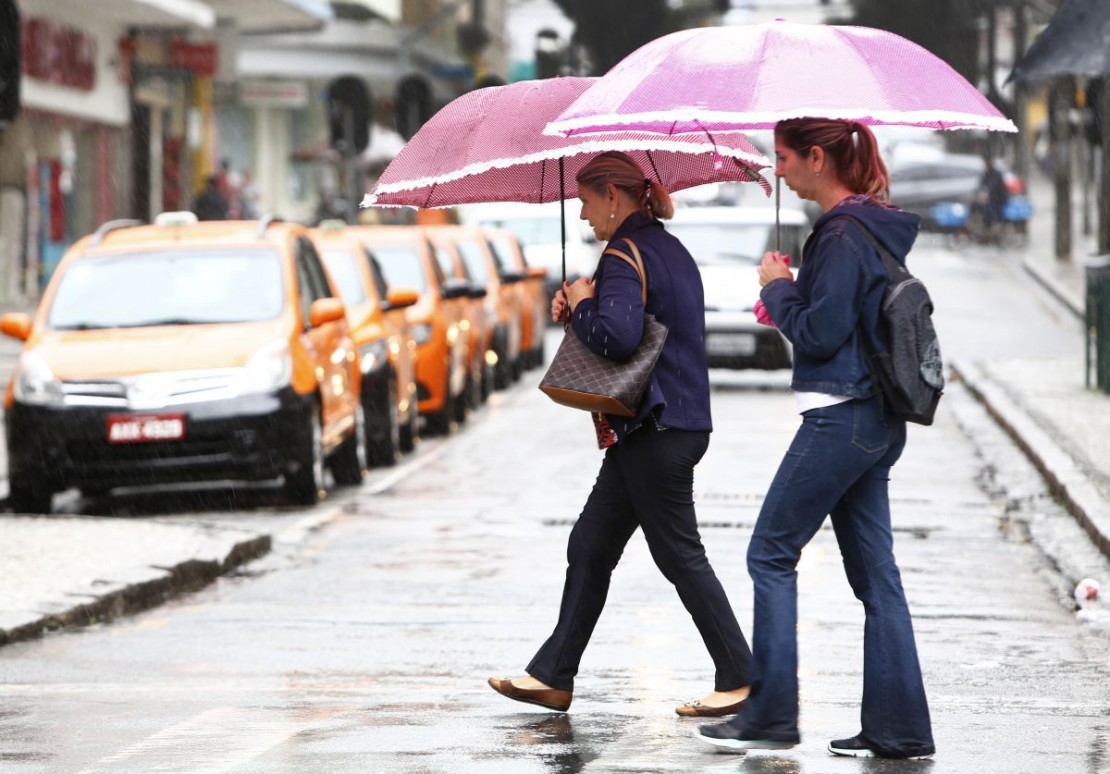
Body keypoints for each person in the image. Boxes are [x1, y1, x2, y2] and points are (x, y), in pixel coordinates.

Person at [695, 119, 935, 760]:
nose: (776, 170)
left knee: (769, 554)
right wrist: (792, 291)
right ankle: (899, 727)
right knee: (877, 580)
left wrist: (777, 285)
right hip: (876, 420)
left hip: (841, 414)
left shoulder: (840, 234)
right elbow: (841, 321)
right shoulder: (869, 227)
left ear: (817, 157)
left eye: (782, 158)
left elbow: (821, 335)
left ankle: (771, 713)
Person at [488, 151, 753, 718]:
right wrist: (582, 307)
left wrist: (584, 306)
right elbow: (644, 324)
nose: (582, 214)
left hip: (655, 428)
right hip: (667, 424)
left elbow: (618, 337)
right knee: (590, 544)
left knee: (679, 555)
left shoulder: (620, 254)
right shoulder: (668, 249)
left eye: (585, 201)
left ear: (613, 194)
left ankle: (741, 676)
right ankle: (552, 676)